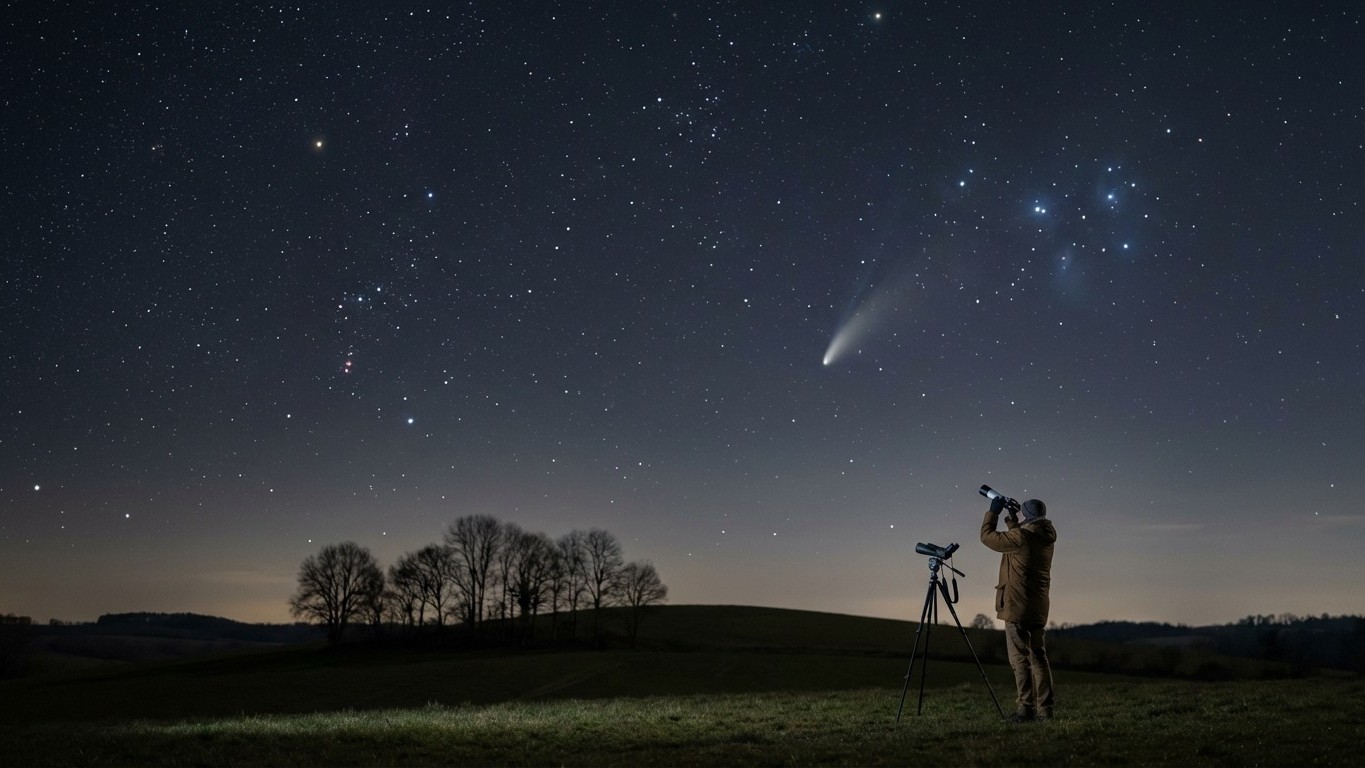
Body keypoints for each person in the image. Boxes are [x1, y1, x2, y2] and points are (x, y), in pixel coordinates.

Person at [980, 495, 1057, 722]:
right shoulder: (1045, 536)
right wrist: (1014, 522)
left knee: (1019, 659)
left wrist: (993, 512)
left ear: (1028, 516)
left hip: (1017, 605)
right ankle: (1046, 711)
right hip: (1037, 606)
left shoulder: (1021, 537)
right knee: (1039, 657)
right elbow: (1021, 539)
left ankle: (1025, 709)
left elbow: (987, 537)